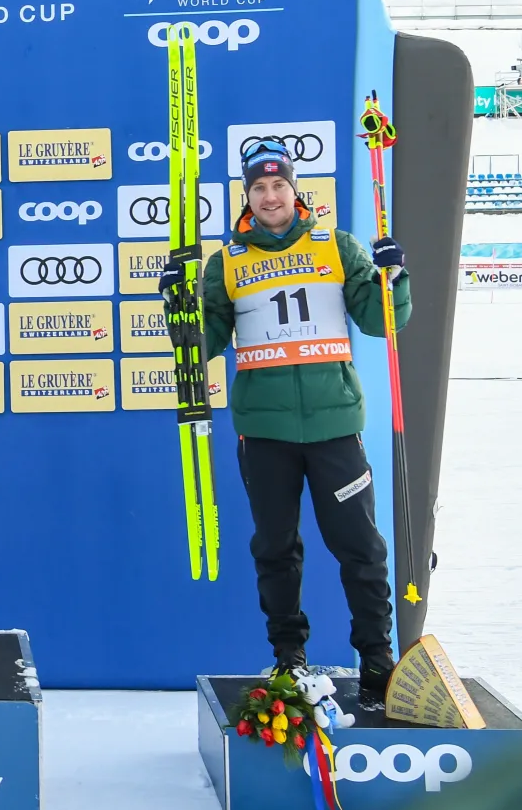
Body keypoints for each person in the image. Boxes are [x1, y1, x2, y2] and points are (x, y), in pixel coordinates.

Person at [158, 138, 411, 698]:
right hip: (265, 432)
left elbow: (380, 320)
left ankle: (376, 659)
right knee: (276, 547)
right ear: (247, 197)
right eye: (259, 187)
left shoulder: (336, 246)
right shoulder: (228, 262)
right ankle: (289, 657)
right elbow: (203, 345)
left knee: (361, 548)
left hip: (334, 426)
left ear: (296, 190)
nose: (270, 196)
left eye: (279, 185)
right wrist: (180, 307)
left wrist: (393, 278)